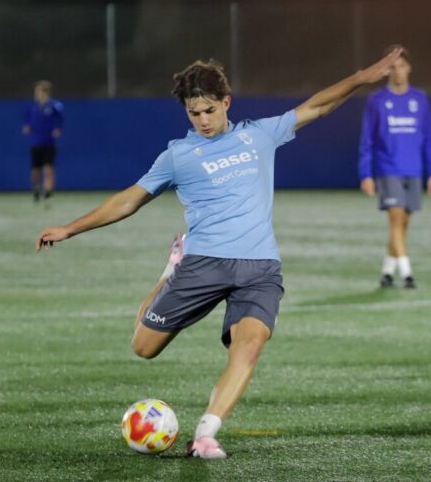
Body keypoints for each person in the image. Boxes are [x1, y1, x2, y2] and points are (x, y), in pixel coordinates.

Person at [36, 49, 401, 459]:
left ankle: (206, 434)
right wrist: (70, 228)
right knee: (144, 347)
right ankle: (170, 269)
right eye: (194, 113)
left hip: (260, 267)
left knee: (249, 346)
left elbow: (317, 106)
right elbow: (129, 200)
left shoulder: (260, 134)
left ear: (227, 102)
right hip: (203, 263)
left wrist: (361, 77)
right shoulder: (178, 156)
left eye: (209, 110)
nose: (203, 120)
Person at [358, 45, 431, 289]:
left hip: (413, 170)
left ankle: (387, 271)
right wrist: (366, 174)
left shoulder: (420, 99)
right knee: (395, 219)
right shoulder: (376, 100)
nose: (397, 71)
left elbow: (429, 137)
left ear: (409, 68)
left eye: (401, 66)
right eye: (392, 67)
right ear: (386, 71)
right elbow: (367, 140)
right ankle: (407, 274)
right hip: (388, 169)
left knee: (403, 224)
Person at [22, 80, 64, 203]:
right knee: (35, 169)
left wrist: (58, 128)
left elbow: (60, 119)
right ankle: (36, 189)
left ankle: (48, 192)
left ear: (45, 92)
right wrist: (27, 127)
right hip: (36, 142)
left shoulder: (54, 105)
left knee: (48, 168)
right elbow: (27, 121)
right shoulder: (32, 107)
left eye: (39, 91)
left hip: (49, 142)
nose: (36, 94)